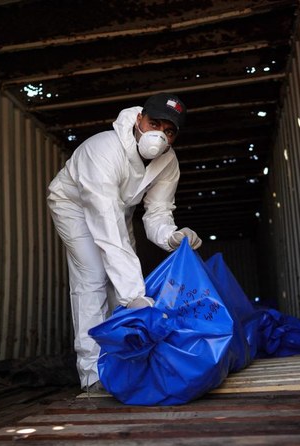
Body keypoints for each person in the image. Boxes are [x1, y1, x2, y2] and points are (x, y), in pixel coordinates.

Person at [47, 92, 202, 391]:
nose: (160, 135)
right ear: (139, 119)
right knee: (93, 277)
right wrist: (134, 295)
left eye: (169, 131)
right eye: (154, 123)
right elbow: (106, 225)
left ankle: (120, 364)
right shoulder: (103, 149)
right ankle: (91, 375)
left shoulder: (168, 163)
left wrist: (172, 236)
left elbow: (157, 213)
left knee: (123, 282)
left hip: (118, 208)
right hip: (74, 203)